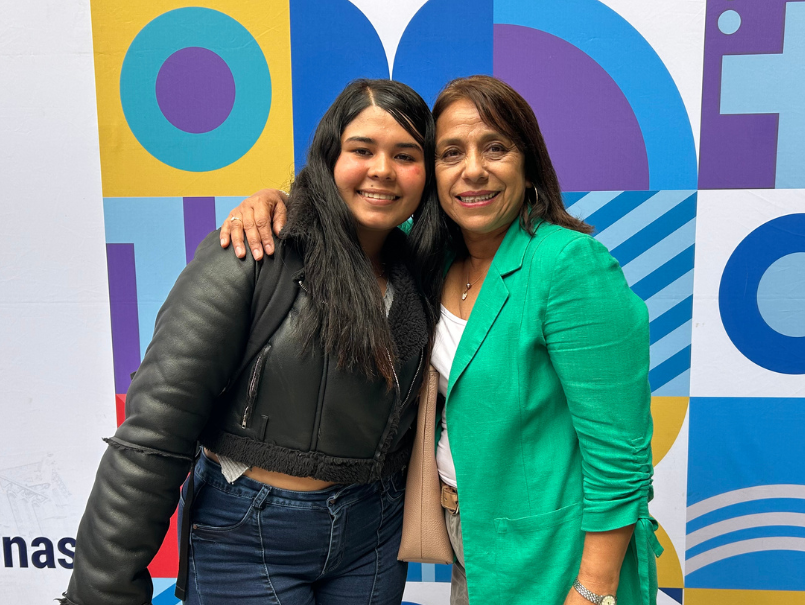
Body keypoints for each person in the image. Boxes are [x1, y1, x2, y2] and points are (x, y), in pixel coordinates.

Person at [223, 75, 660, 605]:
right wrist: (275, 201)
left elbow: (619, 455)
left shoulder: (568, 266)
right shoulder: (431, 257)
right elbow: (351, 215)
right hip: (470, 534)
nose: (473, 169)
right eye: (451, 152)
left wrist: (593, 589)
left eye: (495, 148)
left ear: (529, 165)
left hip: (555, 550)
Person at [60, 79, 446, 605]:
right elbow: (154, 432)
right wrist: (101, 591)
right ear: (328, 157)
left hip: (373, 536)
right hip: (247, 533)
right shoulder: (253, 252)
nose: (382, 169)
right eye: (362, 150)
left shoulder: (424, 272)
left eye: (405, 155)